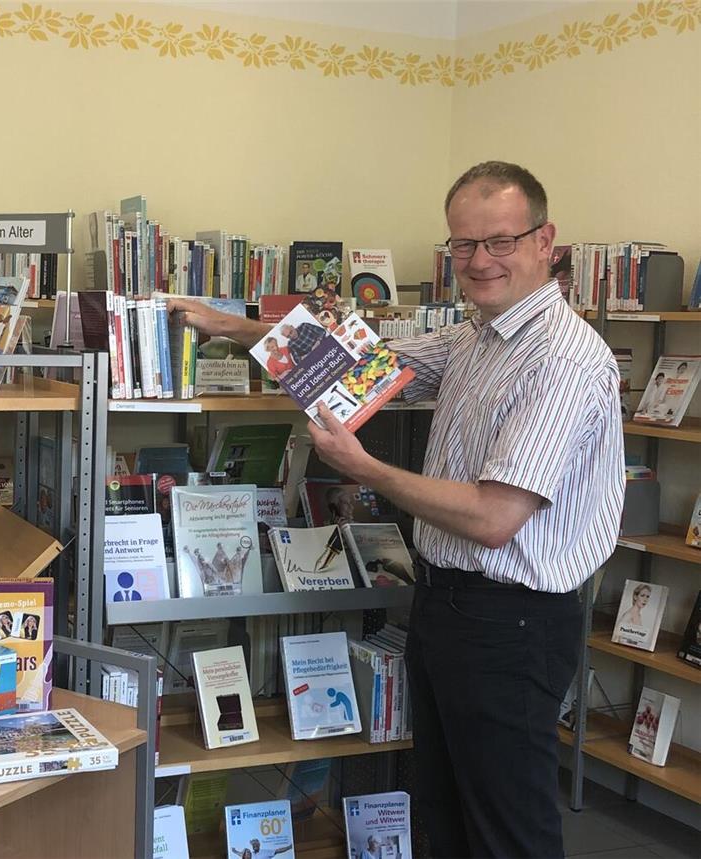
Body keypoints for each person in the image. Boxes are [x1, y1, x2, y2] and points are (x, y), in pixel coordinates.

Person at [169, 162, 625, 858]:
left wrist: (368, 469)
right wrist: (228, 324)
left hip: (514, 619)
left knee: (508, 823)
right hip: (448, 603)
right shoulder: (473, 335)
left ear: (545, 241)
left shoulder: (561, 359)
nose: (480, 261)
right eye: (463, 245)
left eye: (499, 241)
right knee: (442, 805)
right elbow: (355, 363)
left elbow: (494, 516)